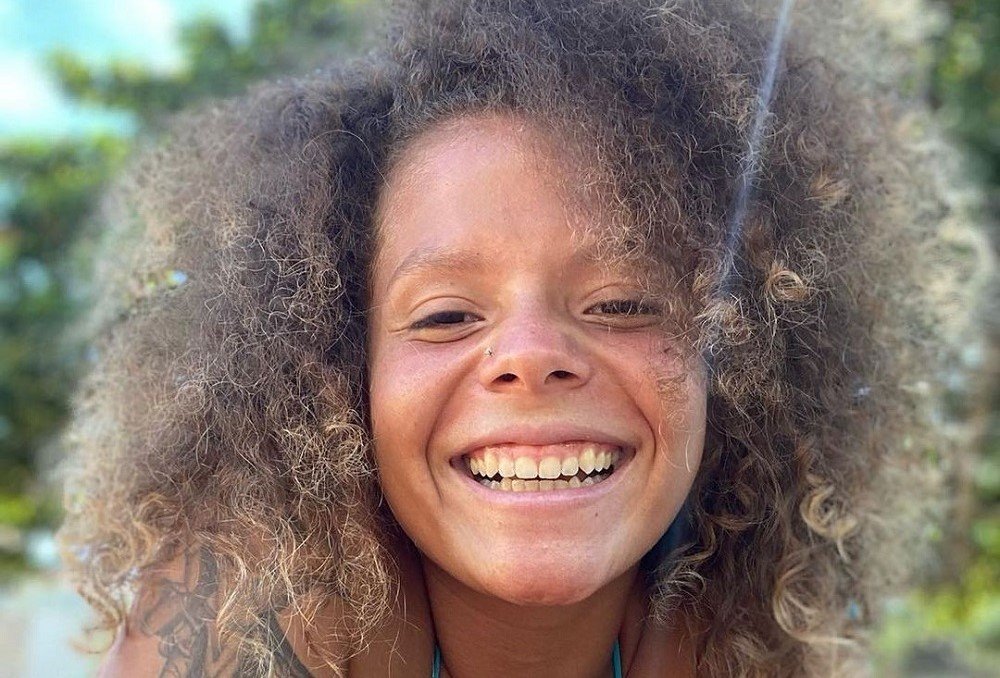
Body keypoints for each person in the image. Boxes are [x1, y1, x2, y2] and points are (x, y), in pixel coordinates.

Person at [57, 0, 956, 675]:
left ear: (741, 364)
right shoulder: (253, 600)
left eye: (622, 304)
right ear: (334, 383)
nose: (529, 355)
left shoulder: (749, 637)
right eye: (446, 316)